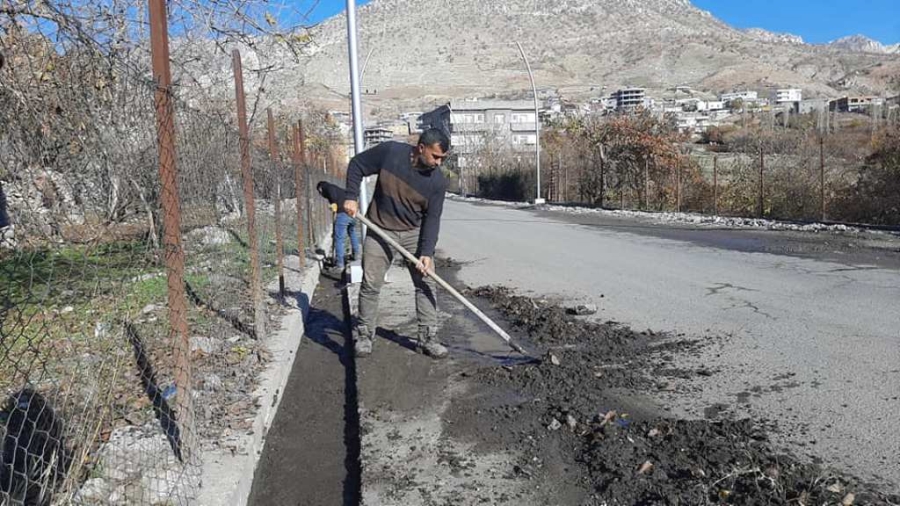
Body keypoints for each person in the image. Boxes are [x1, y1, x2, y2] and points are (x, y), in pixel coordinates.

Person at [343, 128, 450, 359]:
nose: (438, 163)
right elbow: (357, 165)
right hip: (379, 228)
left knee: (426, 283)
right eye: (435, 156)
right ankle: (364, 334)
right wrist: (351, 196)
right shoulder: (390, 152)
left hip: (413, 232)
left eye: (442, 158)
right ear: (421, 148)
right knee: (371, 284)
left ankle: (428, 338)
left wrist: (427, 252)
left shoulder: (438, 182)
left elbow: (432, 218)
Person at [316, 181, 360, 273]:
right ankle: (356, 255)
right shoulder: (337, 189)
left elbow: (335, 200)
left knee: (339, 239)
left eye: (320, 192)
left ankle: (340, 265)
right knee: (352, 232)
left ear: (320, 188)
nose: (321, 194)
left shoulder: (328, 188)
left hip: (343, 213)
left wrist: (334, 207)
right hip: (352, 212)